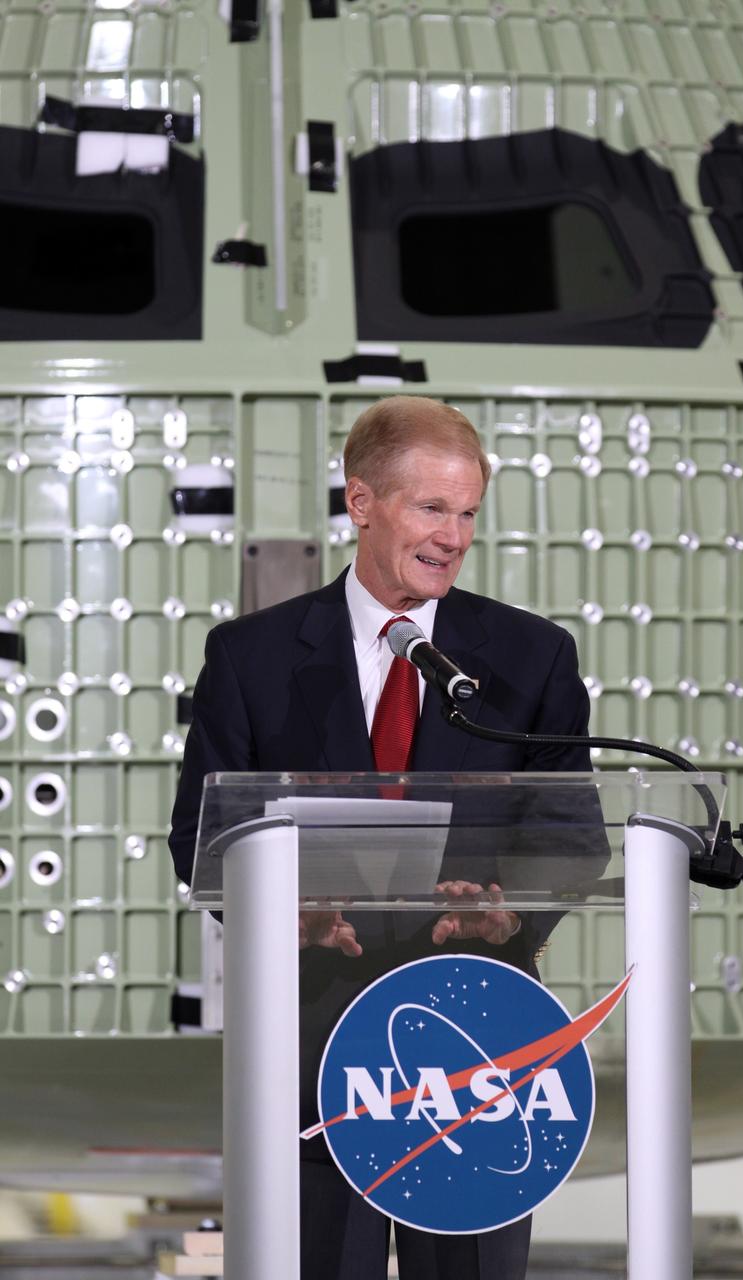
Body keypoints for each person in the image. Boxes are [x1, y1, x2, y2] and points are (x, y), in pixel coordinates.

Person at [168, 395, 597, 1280]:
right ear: (361, 502)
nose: (453, 537)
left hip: (474, 1044)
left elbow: (570, 833)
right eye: (432, 508)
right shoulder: (249, 657)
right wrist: (282, 917)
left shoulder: (531, 656)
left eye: (467, 513)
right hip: (314, 1037)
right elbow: (202, 840)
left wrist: (510, 914)